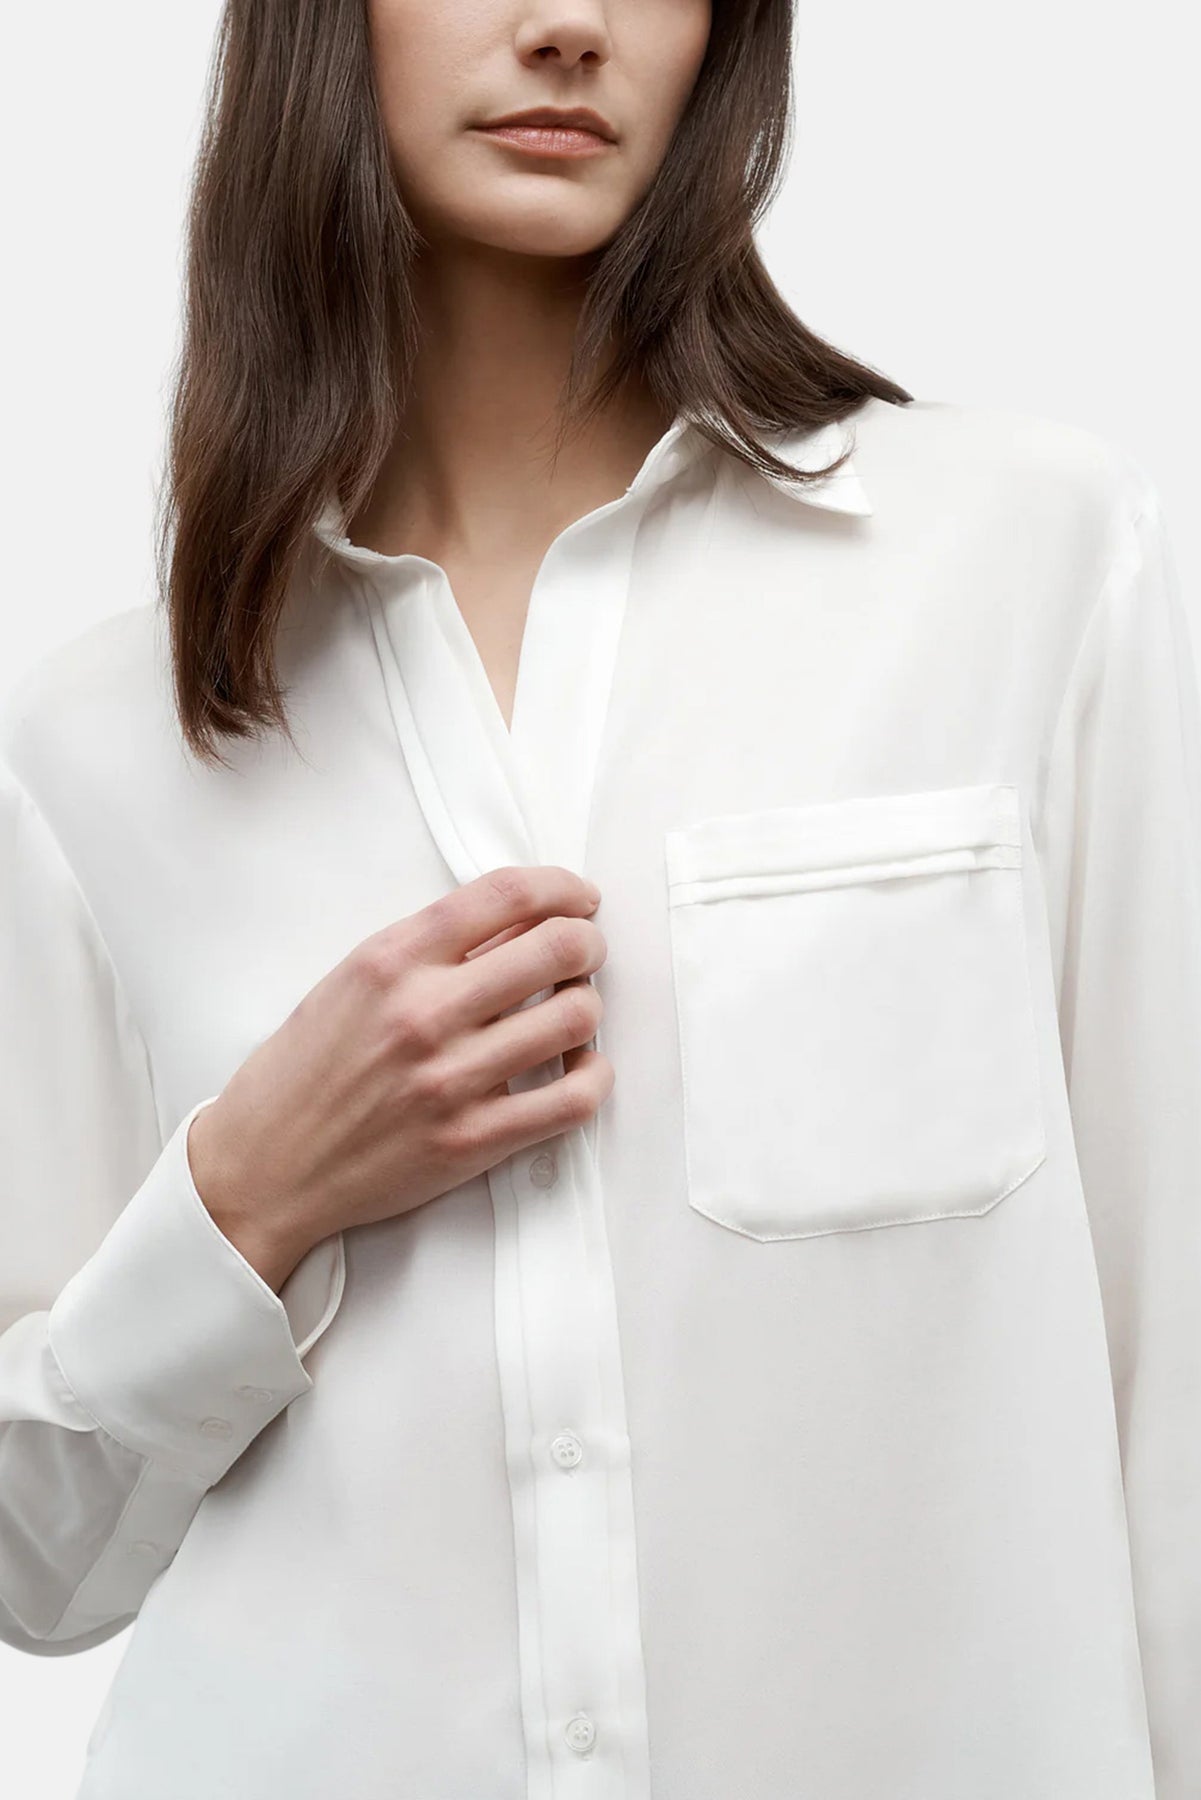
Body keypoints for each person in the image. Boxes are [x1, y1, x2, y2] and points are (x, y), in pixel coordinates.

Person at [1, 1, 1198, 1796]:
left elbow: (1171, 1365)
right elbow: (35, 1561)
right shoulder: (101, 747)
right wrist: (251, 1192)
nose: (569, 25)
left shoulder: (1022, 564)